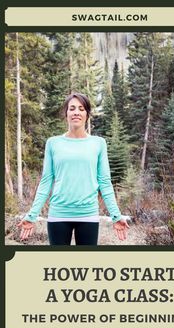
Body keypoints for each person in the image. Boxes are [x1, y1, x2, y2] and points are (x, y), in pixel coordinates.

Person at [17, 92, 129, 245]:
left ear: (87, 114)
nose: (76, 112)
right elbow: (46, 181)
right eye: (72, 108)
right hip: (59, 215)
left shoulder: (98, 143)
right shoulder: (53, 143)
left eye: (81, 109)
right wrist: (31, 215)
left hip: (88, 215)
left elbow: (104, 182)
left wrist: (116, 216)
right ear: (66, 113)